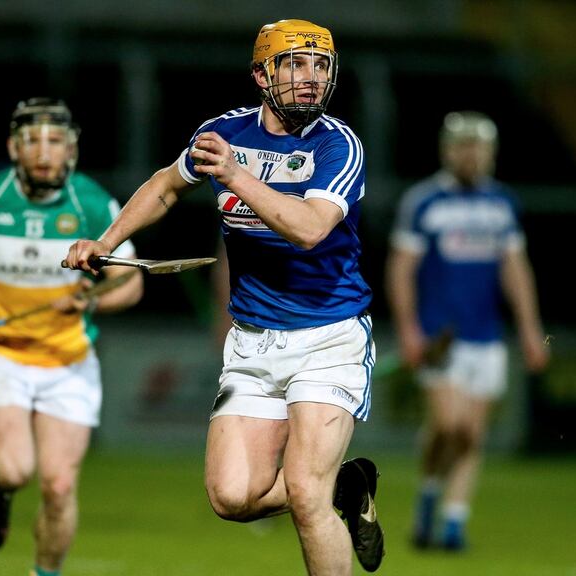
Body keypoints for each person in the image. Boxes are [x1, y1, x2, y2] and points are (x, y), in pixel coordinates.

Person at [63, 19, 385, 574]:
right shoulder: (224, 132)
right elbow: (165, 185)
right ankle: (348, 483)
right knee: (232, 497)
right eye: (295, 64)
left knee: (307, 495)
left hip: (328, 336)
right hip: (253, 342)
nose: (311, 78)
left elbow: (309, 228)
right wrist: (106, 241)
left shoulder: (339, 144)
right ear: (262, 75)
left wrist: (237, 176)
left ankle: (325, 486)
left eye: (322, 65)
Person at [0, 98, 143, 576]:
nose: (45, 154)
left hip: (69, 360)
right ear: (13, 148)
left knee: (59, 486)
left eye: (56, 142)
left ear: (72, 149)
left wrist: (90, 299)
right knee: (13, 470)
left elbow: (132, 282)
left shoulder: (93, 203)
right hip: (0, 355)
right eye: (33, 142)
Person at [386, 110, 550, 551]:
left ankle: (454, 521)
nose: (470, 155)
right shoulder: (424, 201)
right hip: (442, 338)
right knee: (448, 424)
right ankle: (427, 495)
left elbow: (516, 270)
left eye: (478, 147)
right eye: (462, 146)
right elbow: (401, 270)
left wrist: (531, 330)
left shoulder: (502, 204)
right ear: (447, 150)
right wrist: (408, 330)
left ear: (491, 153)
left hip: (487, 337)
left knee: (472, 434)